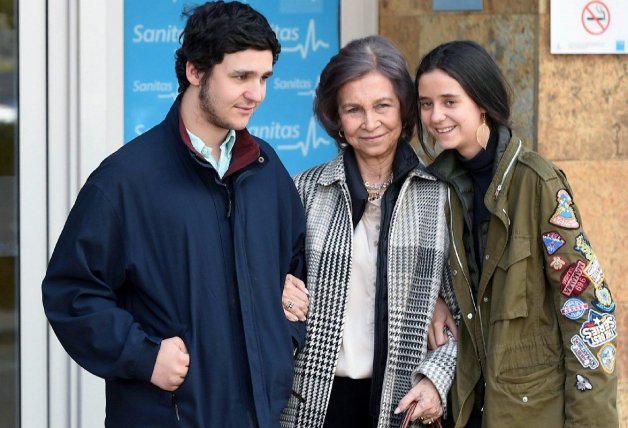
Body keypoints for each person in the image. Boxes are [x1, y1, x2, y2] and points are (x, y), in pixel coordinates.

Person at [41, 2, 307, 427]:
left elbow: (295, 263)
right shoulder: (124, 180)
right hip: (170, 416)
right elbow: (72, 292)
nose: (256, 94)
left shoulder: (266, 169)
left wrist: (283, 334)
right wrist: (144, 357)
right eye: (240, 77)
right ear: (195, 72)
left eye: (263, 78)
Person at [415, 40, 618, 427]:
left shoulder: (537, 182)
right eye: (426, 103)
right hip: (466, 406)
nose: (436, 116)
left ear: (482, 103)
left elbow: (588, 311)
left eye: (449, 101)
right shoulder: (433, 186)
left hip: (532, 412)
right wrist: (434, 298)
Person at [280, 35, 458, 428]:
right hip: (311, 403)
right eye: (354, 110)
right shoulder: (304, 191)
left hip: (404, 403)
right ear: (336, 119)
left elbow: (469, 318)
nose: (370, 122)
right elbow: (270, 289)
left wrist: (436, 381)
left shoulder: (441, 198)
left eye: (383, 106)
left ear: (404, 110)